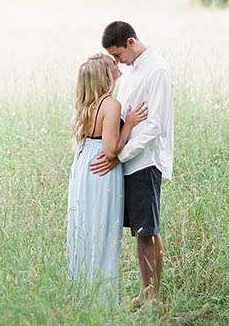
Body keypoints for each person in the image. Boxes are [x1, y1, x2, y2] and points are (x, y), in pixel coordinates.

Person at [90, 21, 174, 305]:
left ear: (130, 42)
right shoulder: (133, 72)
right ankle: (145, 290)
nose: (117, 63)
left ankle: (156, 295)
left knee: (149, 230)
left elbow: (155, 125)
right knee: (140, 232)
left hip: (145, 161)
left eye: (117, 55)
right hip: (129, 160)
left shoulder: (157, 70)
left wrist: (119, 155)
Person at [66, 54, 148, 303]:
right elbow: (111, 150)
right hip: (101, 170)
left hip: (83, 166)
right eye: (111, 63)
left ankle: (82, 292)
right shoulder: (111, 105)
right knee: (102, 231)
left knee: (84, 228)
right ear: (104, 75)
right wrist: (130, 124)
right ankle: (102, 299)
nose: (116, 63)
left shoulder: (87, 105)